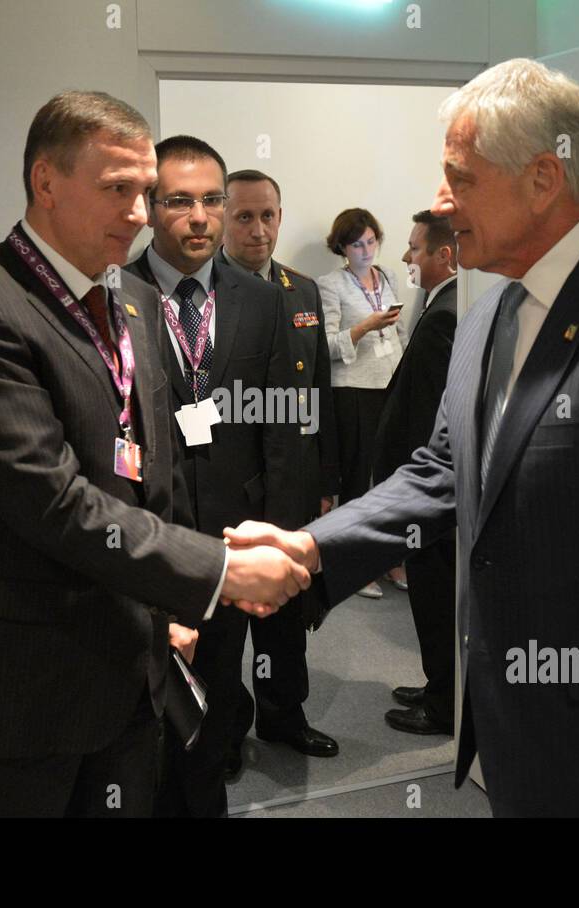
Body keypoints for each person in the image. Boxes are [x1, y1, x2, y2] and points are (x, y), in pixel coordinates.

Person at [225, 58, 579, 818]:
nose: (442, 204)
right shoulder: (488, 318)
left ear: (544, 178)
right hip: (515, 743)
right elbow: (442, 473)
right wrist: (311, 548)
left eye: (461, 179)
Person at [0, 92, 308, 819]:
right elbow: (54, 503)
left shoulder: (130, 300)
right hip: (22, 695)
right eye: (117, 189)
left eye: (144, 191)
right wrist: (214, 572)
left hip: (130, 672)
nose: (138, 212)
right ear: (46, 181)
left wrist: (158, 609)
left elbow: (147, 480)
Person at [124, 136, 318, 816]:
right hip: (140, 548)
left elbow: (283, 433)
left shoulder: (260, 303)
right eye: (180, 201)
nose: (200, 216)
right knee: (140, 725)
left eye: (212, 200)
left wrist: (278, 535)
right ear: (149, 208)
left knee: (211, 715)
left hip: (230, 545)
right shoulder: (113, 296)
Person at [217, 168, 341, 774]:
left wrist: (325, 481)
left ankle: (285, 716)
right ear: (221, 219)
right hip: (225, 487)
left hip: (291, 480)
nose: (258, 230)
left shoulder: (302, 291)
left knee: (288, 616)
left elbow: (318, 390)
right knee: (222, 624)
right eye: (244, 216)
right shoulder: (200, 298)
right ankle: (225, 729)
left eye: (268, 216)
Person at [371, 210, 459, 736]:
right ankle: (437, 685)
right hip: (424, 488)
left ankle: (445, 704)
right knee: (429, 594)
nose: (406, 257)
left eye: (414, 248)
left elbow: (432, 418)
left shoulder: (447, 312)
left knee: (434, 596)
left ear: (444, 254)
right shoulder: (439, 304)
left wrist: (413, 486)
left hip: (429, 493)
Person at [316, 208, 407, 599]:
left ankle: (387, 558)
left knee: (391, 477)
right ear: (342, 247)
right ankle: (353, 565)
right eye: (357, 244)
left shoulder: (386, 277)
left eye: (371, 241)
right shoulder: (330, 284)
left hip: (390, 383)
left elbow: (400, 330)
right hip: (352, 389)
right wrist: (366, 326)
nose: (366, 250)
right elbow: (326, 346)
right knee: (356, 480)